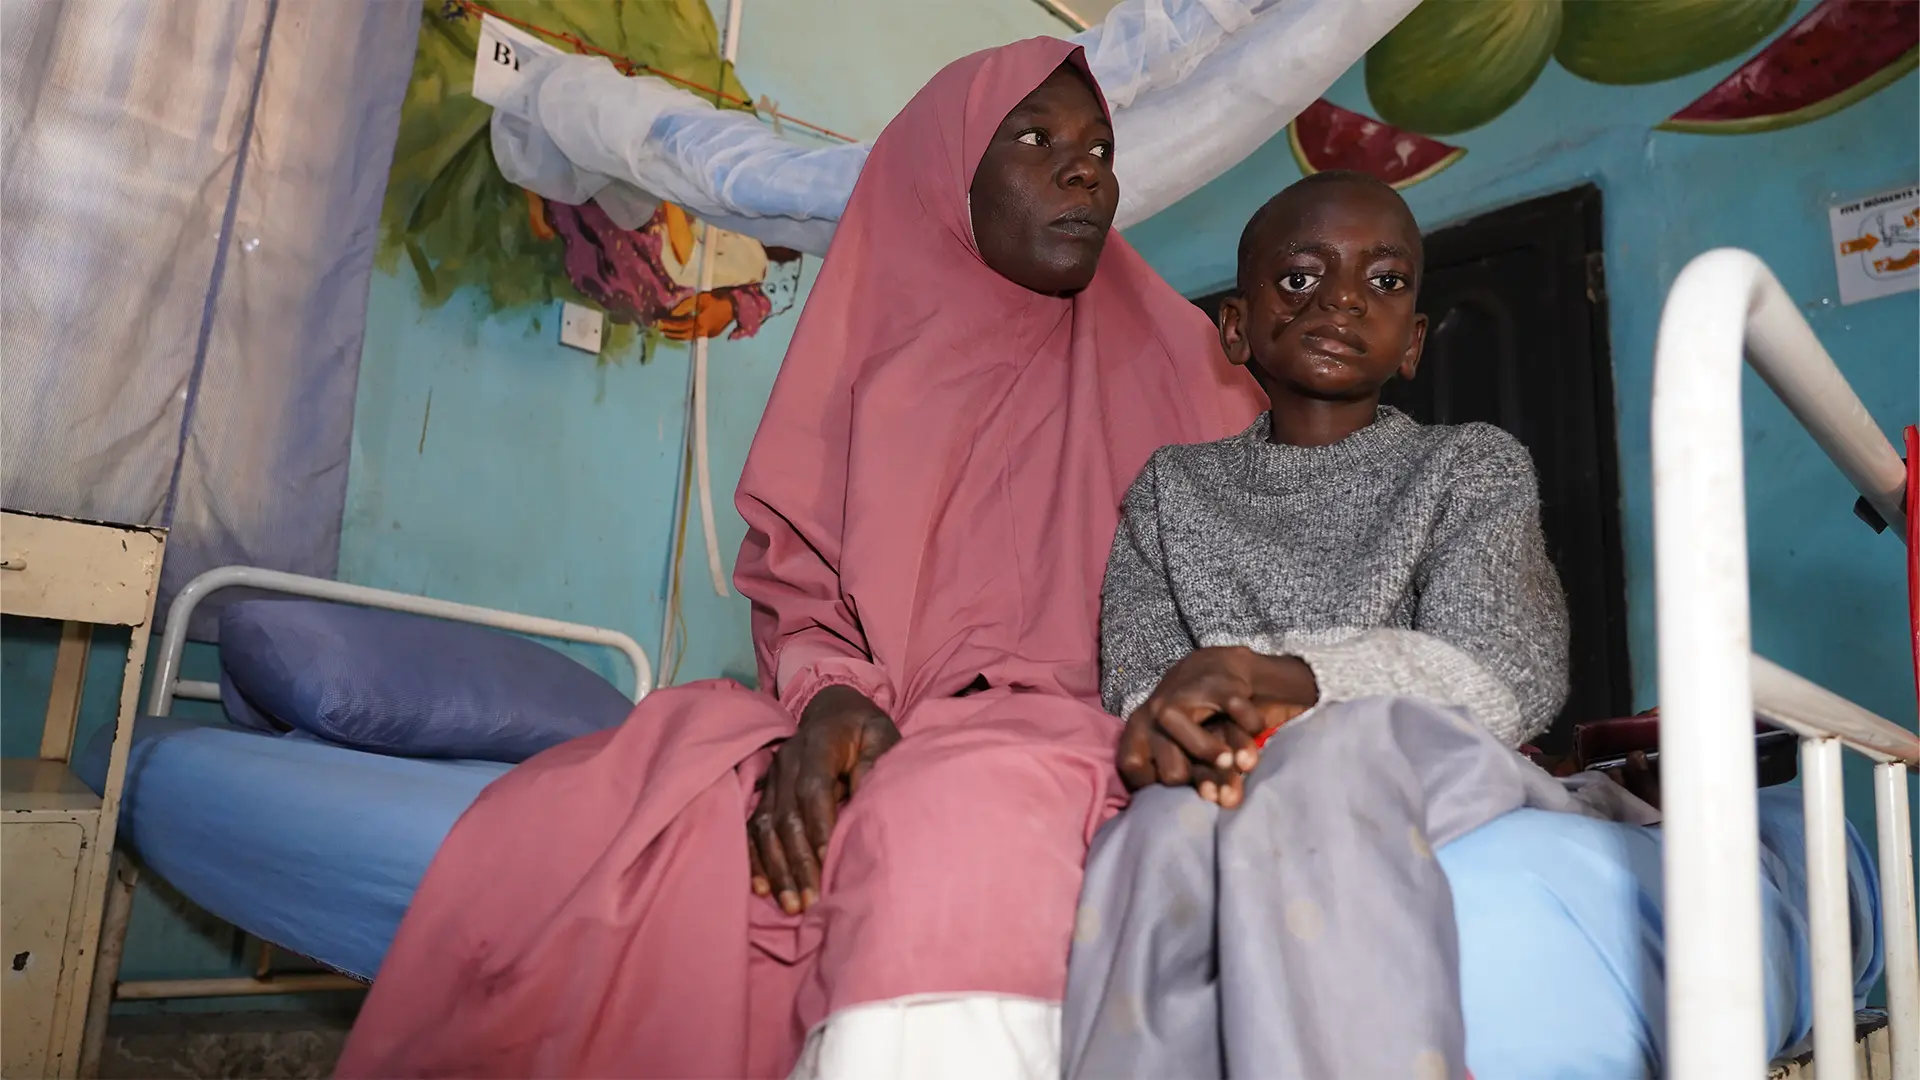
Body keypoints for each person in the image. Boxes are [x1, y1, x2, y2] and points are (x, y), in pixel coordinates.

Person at [336, 37, 1260, 1080]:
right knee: (662, 814)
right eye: (1036, 141)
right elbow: (803, 588)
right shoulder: (866, 354)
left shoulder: (1192, 367)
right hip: (882, 707)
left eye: (1098, 148)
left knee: (944, 817)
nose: (1084, 170)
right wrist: (830, 696)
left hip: (1110, 727)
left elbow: (1260, 606)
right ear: (946, 175)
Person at [1059, 173, 1660, 1080]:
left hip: (1428, 765)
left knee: (1329, 764)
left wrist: (1278, 678)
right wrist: (1194, 721)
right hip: (1229, 769)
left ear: (1413, 341)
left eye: (1383, 282)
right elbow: (1144, 686)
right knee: (1154, 837)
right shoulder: (1171, 489)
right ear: (1235, 327)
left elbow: (1504, 675)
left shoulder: (1468, 465)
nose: (1342, 299)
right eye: (1301, 277)